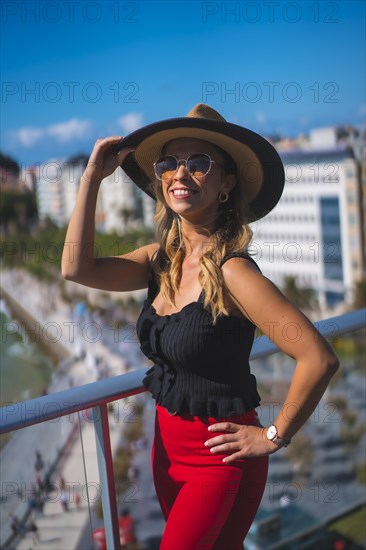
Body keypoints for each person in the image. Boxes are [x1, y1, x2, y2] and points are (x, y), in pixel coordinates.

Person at [61, 103, 339, 549]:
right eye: (168, 163)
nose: (179, 174)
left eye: (198, 163)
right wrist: (92, 177)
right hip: (165, 451)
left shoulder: (235, 273)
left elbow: (317, 357)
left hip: (219, 461)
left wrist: (273, 434)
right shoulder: (159, 261)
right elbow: (77, 268)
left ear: (227, 182)